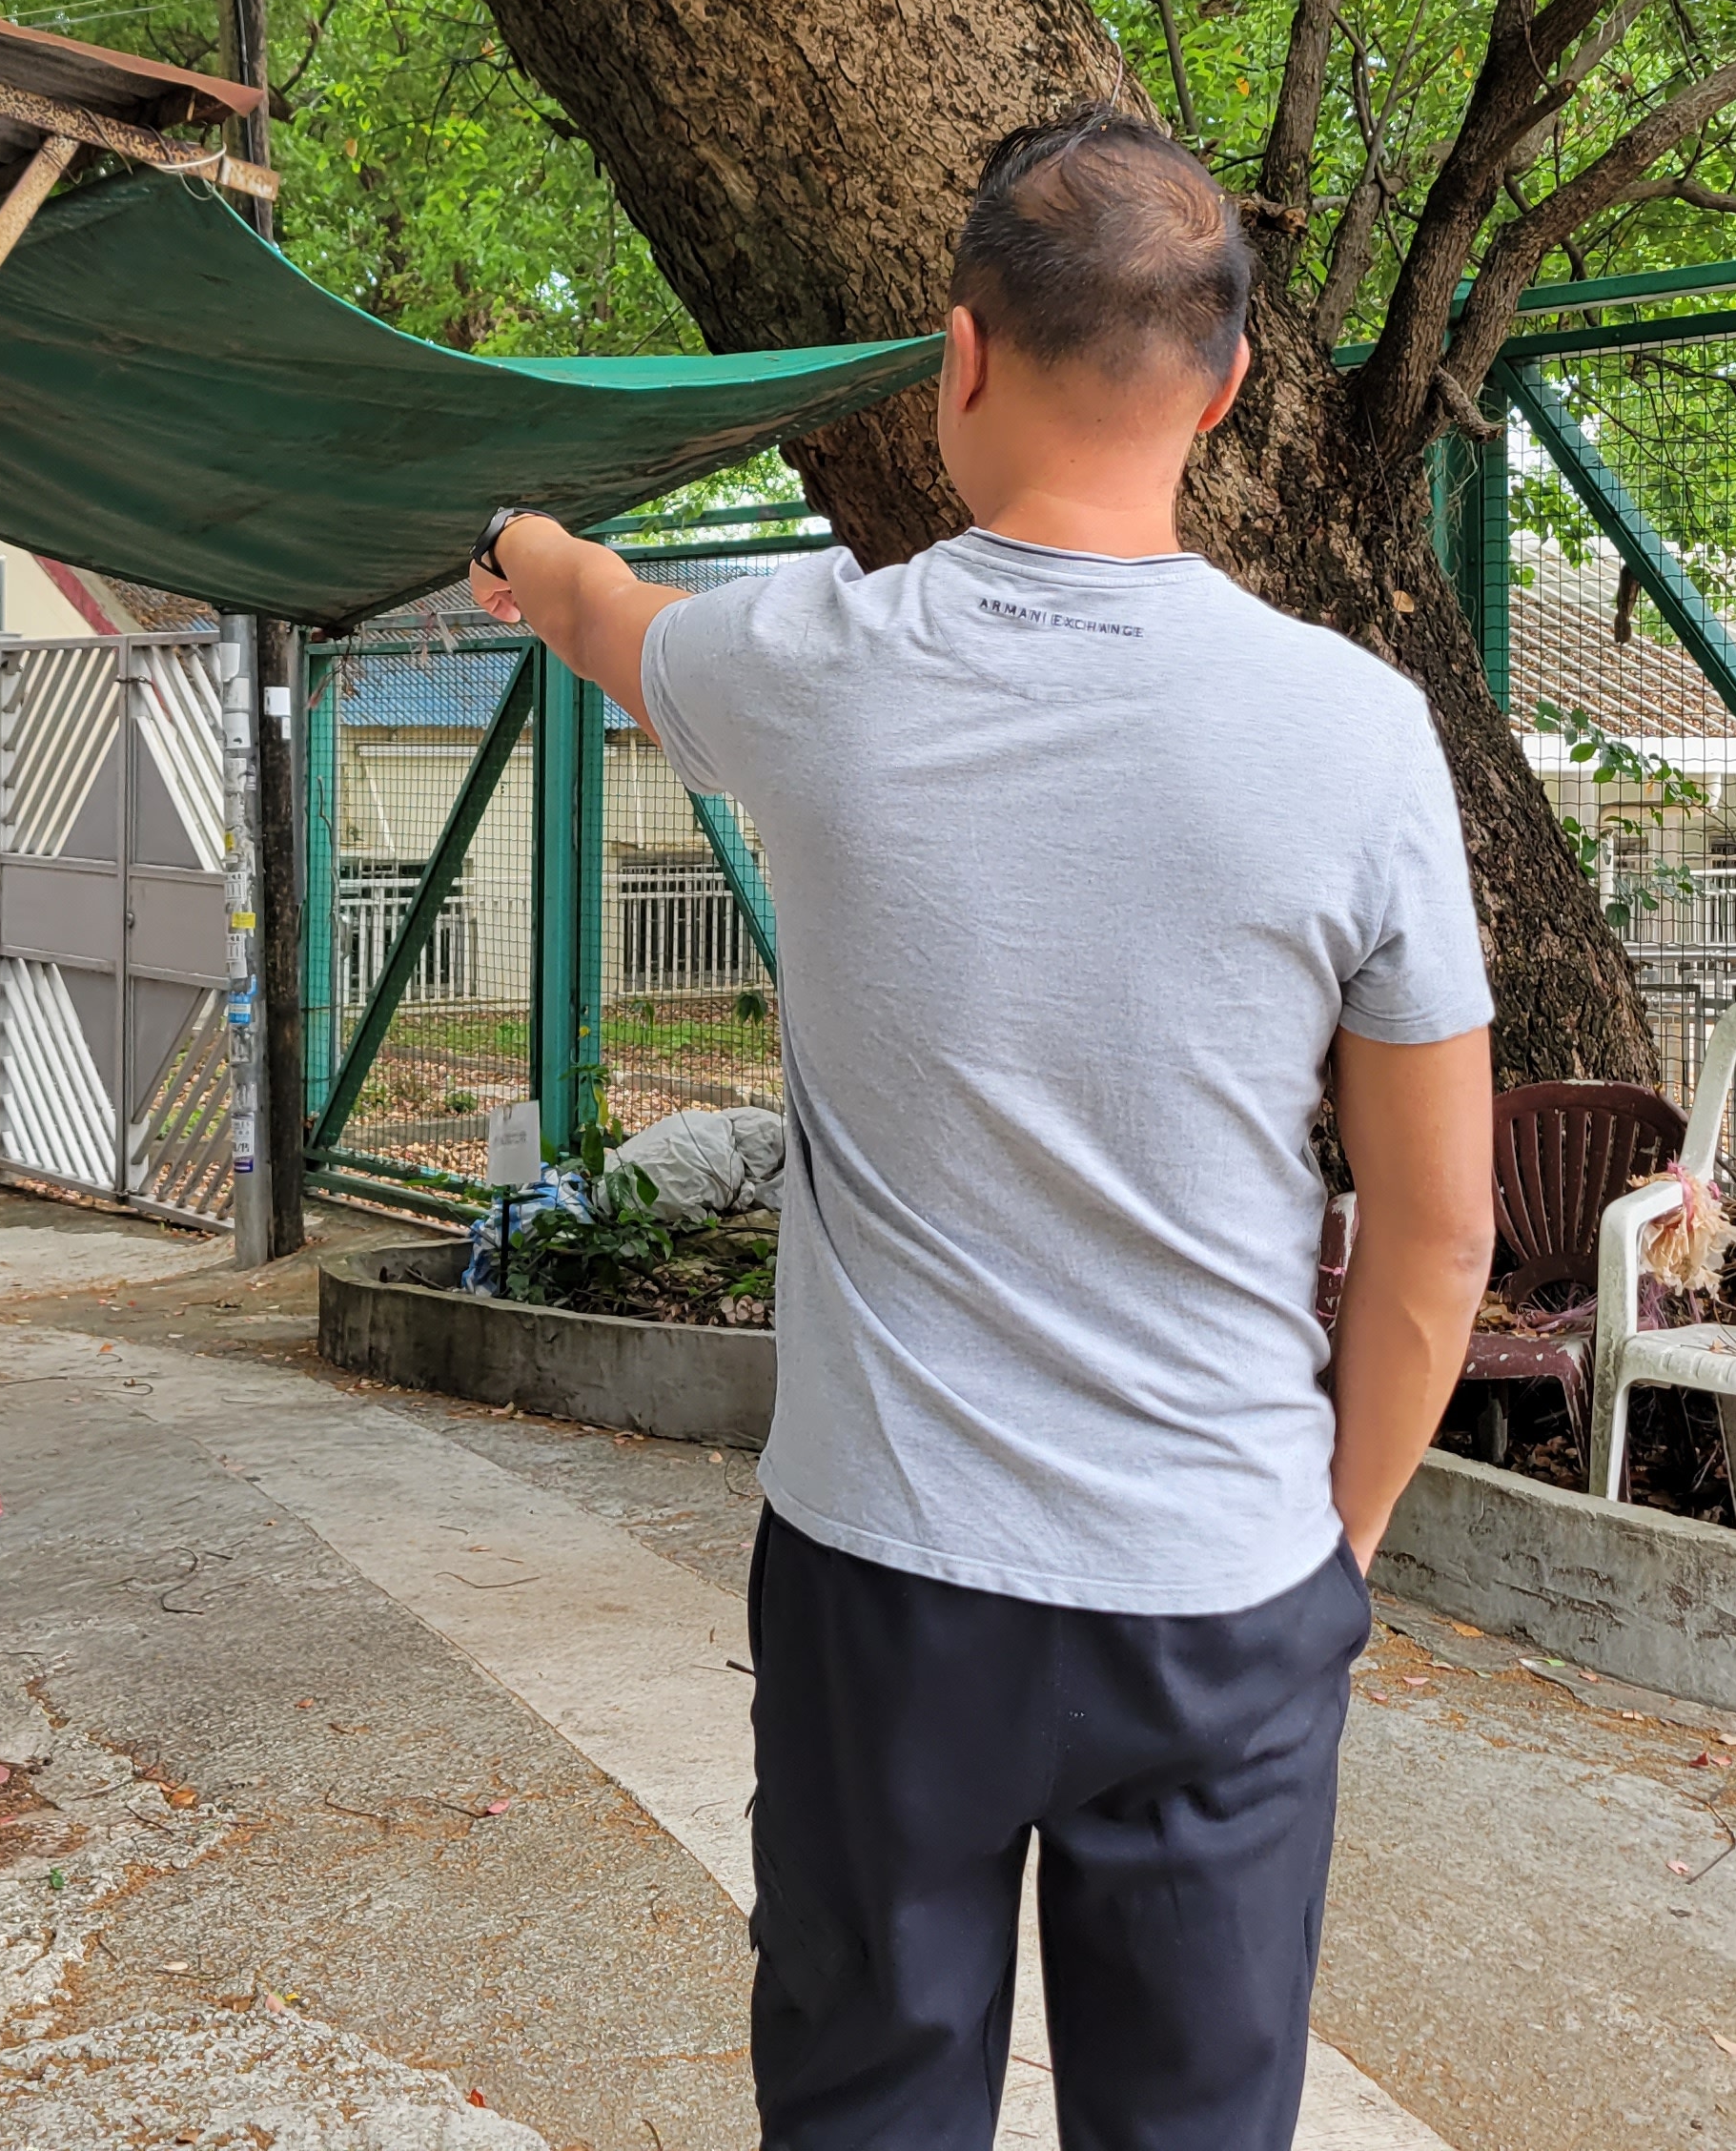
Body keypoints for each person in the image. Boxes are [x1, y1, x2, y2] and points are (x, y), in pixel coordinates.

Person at [464, 105, 1497, 2151]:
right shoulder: (1362, 732)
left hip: (884, 1580)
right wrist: (1329, 1553)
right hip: (1223, 1578)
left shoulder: (812, 664)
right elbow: (1439, 1234)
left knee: (867, 2106)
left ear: (958, 357)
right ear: (1227, 379)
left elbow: (602, 614)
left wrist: (529, 547)